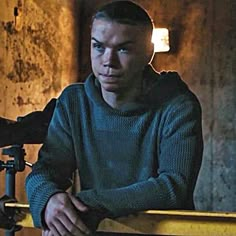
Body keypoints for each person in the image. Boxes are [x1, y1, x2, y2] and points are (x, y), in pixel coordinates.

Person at [25, 1, 203, 235]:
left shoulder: (178, 106)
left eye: (123, 49)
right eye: (98, 47)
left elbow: (173, 187)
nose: (108, 61)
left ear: (148, 53)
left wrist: (86, 204)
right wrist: (49, 199)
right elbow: (47, 169)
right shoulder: (73, 102)